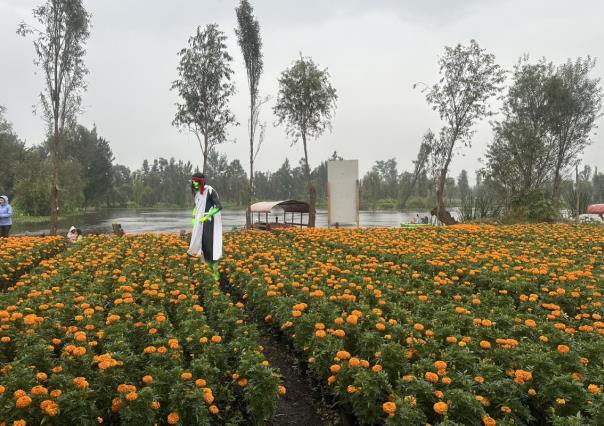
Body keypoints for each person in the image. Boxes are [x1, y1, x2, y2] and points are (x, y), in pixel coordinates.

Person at [187, 173, 223, 281]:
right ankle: (207, 271)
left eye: (197, 182)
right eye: (193, 182)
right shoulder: (197, 194)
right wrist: (194, 219)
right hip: (199, 223)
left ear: (202, 182)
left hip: (209, 222)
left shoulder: (210, 191)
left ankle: (215, 273)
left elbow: (219, 206)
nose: (195, 184)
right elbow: (196, 208)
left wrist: (206, 216)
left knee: (210, 247)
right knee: (201, 246)